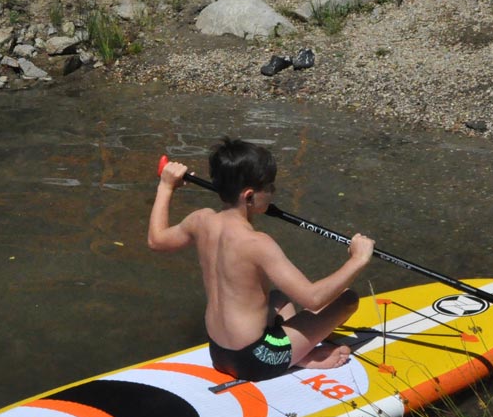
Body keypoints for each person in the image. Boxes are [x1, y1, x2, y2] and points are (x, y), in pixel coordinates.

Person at [148, 138, 375, 382]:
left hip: (219, 353)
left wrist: (166, 186)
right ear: (248, 196)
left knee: (278, 299)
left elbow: (156, 240)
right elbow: (313, 298)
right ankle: (302, 357)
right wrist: (357, 260)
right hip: (258, 360)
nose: (273, 193)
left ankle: (299, 351)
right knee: (347, 299)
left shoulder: (200, 220)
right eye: (269, 187)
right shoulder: (258, 243)